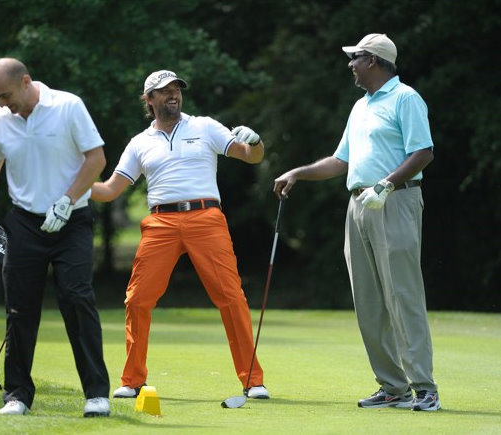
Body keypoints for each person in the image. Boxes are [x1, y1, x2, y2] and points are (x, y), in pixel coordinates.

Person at [273, 34, 440, 411]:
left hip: (396, 200)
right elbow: (341, 161)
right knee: (367, 300)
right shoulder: (361, 106)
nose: (350, 64)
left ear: (374, 61)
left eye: (356, 57)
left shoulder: (406, 98)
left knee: (402, 295)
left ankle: (425, 388)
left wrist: (386, 184)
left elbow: (423, 152)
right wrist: (298, 172)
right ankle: (393, 386)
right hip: (359, 204)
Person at [91, 70, 270, 400]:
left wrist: (256, 142)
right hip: (161, 223)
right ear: (149, 99)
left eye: (176, 89)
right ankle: (132, 380)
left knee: (231, 297)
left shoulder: (205, 126)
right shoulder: (140, 143)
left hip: (206, 218)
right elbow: (110, 190)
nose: (173, 94)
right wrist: (76, 186)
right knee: (137, 299)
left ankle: (253, 380)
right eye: (164, 90)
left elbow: (251, 156)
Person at [0, 58, 110, 417]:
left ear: (26, 81)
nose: (3, 104)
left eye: (6, 95)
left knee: (76, 298)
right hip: (25, 224)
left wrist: (67, 200)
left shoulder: (68, 106)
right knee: (19, 307)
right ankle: (17, 394)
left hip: (72, 220)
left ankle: (96, 394)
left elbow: (96, 159)